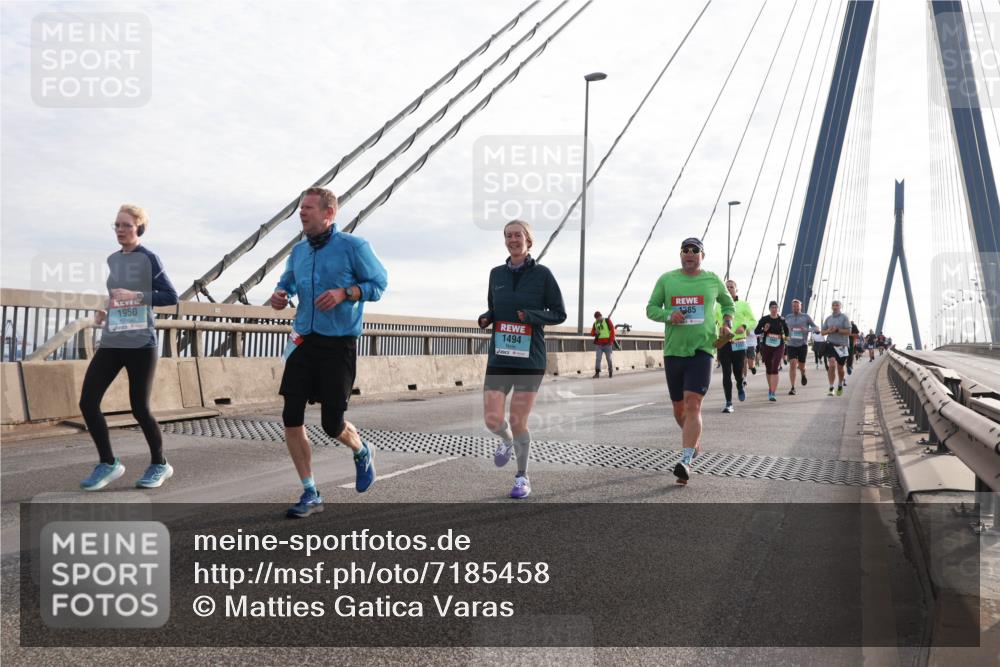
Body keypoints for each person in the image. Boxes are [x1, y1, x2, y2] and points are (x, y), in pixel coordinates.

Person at [270, 187, 388, 518]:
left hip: (338, 344)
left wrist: (346, 293)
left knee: (331, 422)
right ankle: (310, 491)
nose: (302, 213)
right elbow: (287, 284)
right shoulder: (298, 252)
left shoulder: (354, 247)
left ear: (328, 213)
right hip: (303, 341)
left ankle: (362, 450)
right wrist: (280, 295)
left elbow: (379, 285)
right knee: (290, 416)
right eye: (300, 208)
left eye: (308, 208)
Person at [79, 204, 179, 490]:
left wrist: (136, 296)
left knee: (139, 408)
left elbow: (170, 296)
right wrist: (105, 309)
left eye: (126, 226)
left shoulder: (149, 259)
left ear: (139, 229)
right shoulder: (113, 259)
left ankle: (160, 464)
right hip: (113, 340)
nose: (120, 230)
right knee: (88, 402)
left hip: (141, 343)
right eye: (117, 225)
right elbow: (116, 295)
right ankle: (108, 463)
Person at [480, 220, 566, 499]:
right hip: (501, 355)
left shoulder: (543, 275)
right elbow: (495, 308)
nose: (513, 240)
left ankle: (522, 477)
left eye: (518, 235)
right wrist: (487, 317)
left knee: (518, 420)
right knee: (492, 419)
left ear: (528, 240)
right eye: (508, 236)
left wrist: (531, 316)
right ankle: (505, 442)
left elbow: (559, 313)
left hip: (530, 359)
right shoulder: (496, 274)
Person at [646, 237, 734, 485]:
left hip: (702, 350)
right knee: (679, 408)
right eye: (685, 250)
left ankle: (685, 461)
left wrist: (727, 323)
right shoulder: (667, 279)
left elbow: (728, 304)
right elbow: (651, 308)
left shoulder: (712, 280)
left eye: (695, 250)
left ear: (702, 256)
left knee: (693, 403)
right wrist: (667, 314)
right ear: (680, 255)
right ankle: (693, 442)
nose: (690, 254)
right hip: (674, 351)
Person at [713, 279, 755, 412]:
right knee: (726, 373)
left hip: (739, 343)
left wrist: (744, 326)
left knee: (737, 371)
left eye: (732, 287)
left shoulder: (743, 304)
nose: (729, 288)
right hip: (724, 342)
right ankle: (728, 403)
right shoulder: (718, 305)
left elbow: (753, 320)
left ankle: (740, 385)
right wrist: (716, 332)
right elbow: (714, 320)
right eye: (727, 287)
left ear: (736, 290)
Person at [754, 301, 789, 402]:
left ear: (778, 309)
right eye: (772, 307)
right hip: (767, 345)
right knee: (769, 368)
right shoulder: (765, 319)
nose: (774, 309)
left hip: (779, 345)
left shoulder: (782, 319)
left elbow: (787, 331)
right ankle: (770, 389)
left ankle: (773, 392)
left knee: (775, 367)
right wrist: (764, 330)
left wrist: (787, 338)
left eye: (776, 307)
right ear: (769, 309)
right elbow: (756, 331)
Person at [783, 298, 819, 395]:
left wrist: (807, 330)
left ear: (801, 307)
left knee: (802, 366)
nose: (796, 308)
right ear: (792, 307)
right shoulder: (788, 317)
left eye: (797, 306)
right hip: (791, 344)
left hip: (802, 345)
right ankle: (793, 387)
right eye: (794, 306)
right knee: (793, 364)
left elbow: (816, 327)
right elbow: (783, 329)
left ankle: (803, 374)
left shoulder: (806, 316)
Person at [822, 300, 852, 396]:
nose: (835, 307)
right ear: (832, 307)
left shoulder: (844, 318)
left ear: (840, 307)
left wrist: (838, 330)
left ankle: (839, 384)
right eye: (833, 305)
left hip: (842, 345)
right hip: (831, 344)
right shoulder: (828, 319)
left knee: (840, 368)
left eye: (837, 305)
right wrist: (828, 331)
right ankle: (831, 388)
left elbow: (849, 331)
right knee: (831, 364)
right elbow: (822, 332)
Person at [590, 311, 615, 378]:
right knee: (598, 358)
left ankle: (610, 370)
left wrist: (611, 341)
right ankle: (597, 373)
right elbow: (592, 333)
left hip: (607, 344)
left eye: (598, 317)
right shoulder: (595, 323)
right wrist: (595, 332)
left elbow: (612, 330)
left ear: (601, 316)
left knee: (608, 358)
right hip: (599, 344)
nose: (597, 319)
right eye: (596, 318)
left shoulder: (607, 321)